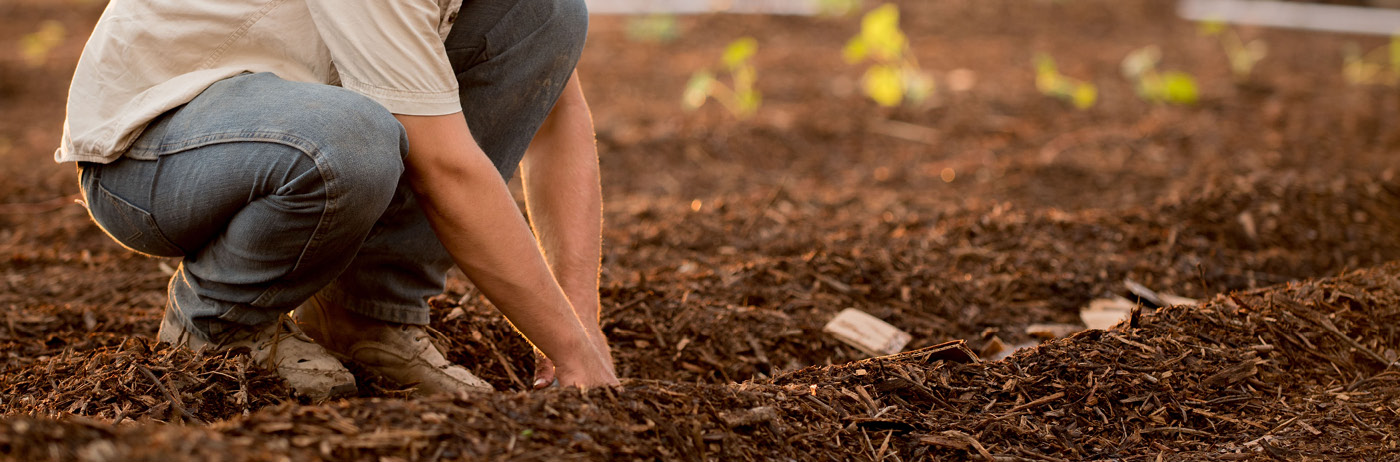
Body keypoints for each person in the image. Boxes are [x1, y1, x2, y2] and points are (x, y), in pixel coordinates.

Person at [56, 0, 619, 400]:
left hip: (294, 118)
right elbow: (445, 166)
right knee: (353, 139)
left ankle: (368, 315)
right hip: (151, 151)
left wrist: (582, 324)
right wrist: (571, 353)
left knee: (544, 12)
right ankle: (220, 323)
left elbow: (557, 115)